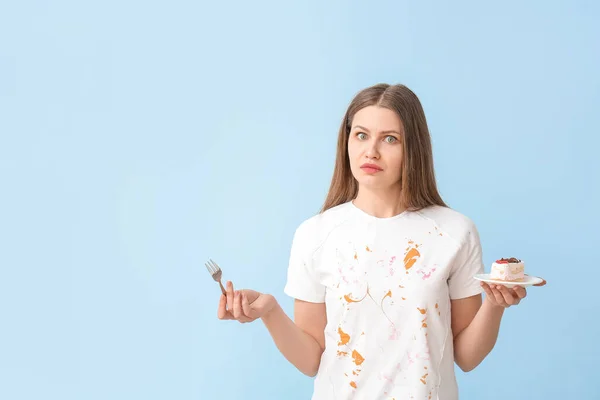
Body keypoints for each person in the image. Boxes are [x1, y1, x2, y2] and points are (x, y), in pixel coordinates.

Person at [216, 83, 545, 400]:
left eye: (390, 139)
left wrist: (494, 306)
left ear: (412, 148)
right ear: (347, 141)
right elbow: (310, 360)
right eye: (361, 135)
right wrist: (270, 311)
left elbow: (467, 357)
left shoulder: (454, 231)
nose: (370, 151)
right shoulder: (314, 234)